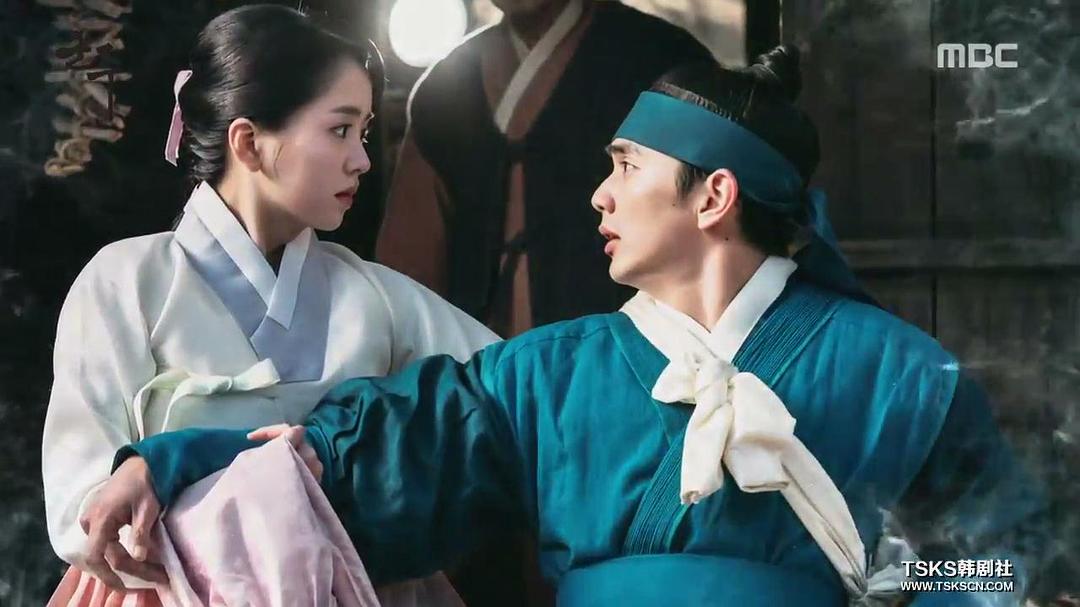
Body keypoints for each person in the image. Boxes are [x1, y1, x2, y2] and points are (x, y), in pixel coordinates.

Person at [81, 46, 1043, 605]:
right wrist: (170, 464)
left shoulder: (901, 375)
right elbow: (364, 461)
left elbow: (998, 561)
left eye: (625, 166)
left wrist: (909, 585)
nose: (599, 195)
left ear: (713, 196)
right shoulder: (543, 376)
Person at [41, 5, 496, 604]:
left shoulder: (376, 297)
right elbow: (83, 505)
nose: (362, 159)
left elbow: (512, 385)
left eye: (363, 135)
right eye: (340, 130)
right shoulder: (126, 281)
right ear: (249, 142)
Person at [376, 0, 713, 337]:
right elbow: (408, 266)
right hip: (479, 352)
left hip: (621, 344)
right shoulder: (443, 88)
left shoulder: (662, 58)